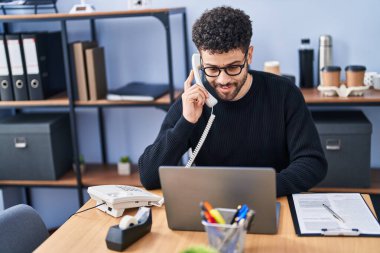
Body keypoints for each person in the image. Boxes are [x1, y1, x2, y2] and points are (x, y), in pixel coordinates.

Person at [138, 6, 327, 196]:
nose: (223, 80)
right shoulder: (193, 101)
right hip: (212, 210)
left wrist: (257, 189)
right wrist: (186, 122)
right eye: (211, 69)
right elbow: (149, 177)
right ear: (199, 62)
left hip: (270, 200)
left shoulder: (285, 93)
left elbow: (312, 162)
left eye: (233, 67)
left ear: (249, 55)